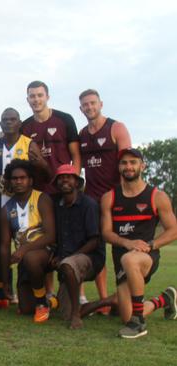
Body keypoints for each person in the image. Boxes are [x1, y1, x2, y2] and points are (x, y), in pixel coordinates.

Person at [99, 148, 177, 338]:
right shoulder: (109, 197)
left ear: (142, 165)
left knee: (131, 259)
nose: (129, 166)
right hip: (122, 258)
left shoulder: (157, 196)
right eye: (124, 163)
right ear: (119, 167)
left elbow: (174, 230)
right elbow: (106, 233)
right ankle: (166, 299)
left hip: (146, 256)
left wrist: (150, 245)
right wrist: (126, 242)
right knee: (126, 315)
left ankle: (139, 323)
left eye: (133, 162)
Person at [0, 108, 48, 308]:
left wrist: (42, 163)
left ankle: (31, 289)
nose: (9, 123)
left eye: (13, 119)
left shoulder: (29, 144)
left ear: (19, 123)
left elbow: (43, 172)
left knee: (24, 243)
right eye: (5, 120)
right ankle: (2, 289)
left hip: (24, 204)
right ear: (0, 124)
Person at [78, 88, 132, 310]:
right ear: (81, 109)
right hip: (92, 201)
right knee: (96, 249)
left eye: (93, 103)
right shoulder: (81, 134)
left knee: (122, 250)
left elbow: (128, 162)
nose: (89, 107)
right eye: (85, 105)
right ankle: (103, 301)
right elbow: (77, 167)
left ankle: (128, 295)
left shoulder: (116, 128)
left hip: (117, 199)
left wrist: (124, 194)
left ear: (101, 104)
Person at [0, 159, 56, 322]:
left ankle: (41, 304)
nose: (18, 181)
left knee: (31, 257)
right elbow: (4, 246)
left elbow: (50, 235)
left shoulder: (42, 199)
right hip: (25, 260)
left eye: (22, 177)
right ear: (9, 181)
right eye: (14, 178)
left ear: (30, 180)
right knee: (25, 309)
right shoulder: (6, 209)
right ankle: (52, 301)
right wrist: (5, 280)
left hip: (47, 253)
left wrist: (24, 250)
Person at [51, 164, 106, 329]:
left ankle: (77, 315)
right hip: (68, 260)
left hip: (90, 257)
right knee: (64, 313)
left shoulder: (89, 204)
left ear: (77, 182)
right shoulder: (58, 206)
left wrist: (69, 258)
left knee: (68, 265)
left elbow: (94, 240)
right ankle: (110, 300)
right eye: (60, 178)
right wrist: (55, 254)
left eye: (69, 177)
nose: (64, 180)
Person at [22, 80, 81, 194]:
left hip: (63, 187)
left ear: (47, 97)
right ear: (27, 99)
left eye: (40, 95)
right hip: (37, 190)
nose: (36, 99)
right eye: (32, 96)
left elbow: (76, 156)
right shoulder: (24, 127)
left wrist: (75, 183)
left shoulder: (65, 119)